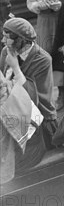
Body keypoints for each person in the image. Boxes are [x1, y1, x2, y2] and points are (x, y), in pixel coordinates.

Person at [1, 18, 57, 150]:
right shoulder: (6, 51)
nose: (3, 41)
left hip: (37, 119)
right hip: (9, 110)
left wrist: (15, 67)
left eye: (7, 38)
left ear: (21, 40)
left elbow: (33, 96)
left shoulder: (43, 59)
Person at [0, 69, 45, 183]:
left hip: (27, 157)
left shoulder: (4, 111)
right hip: (36, 148)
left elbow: (5, 157)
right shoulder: (14, 87)